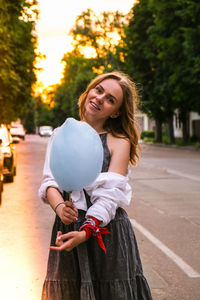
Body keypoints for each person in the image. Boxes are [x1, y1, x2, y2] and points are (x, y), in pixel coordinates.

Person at [39, 71, 153, 300]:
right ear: (89, 91)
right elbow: (50, 181)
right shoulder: (61, 134)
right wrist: (61, 208)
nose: (100, 98)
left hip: (105, 231)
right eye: (99, 90)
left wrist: (87, 231)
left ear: (116, 112)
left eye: (111, 99)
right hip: (67, 227)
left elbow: (110, 196)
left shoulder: (119, 141)